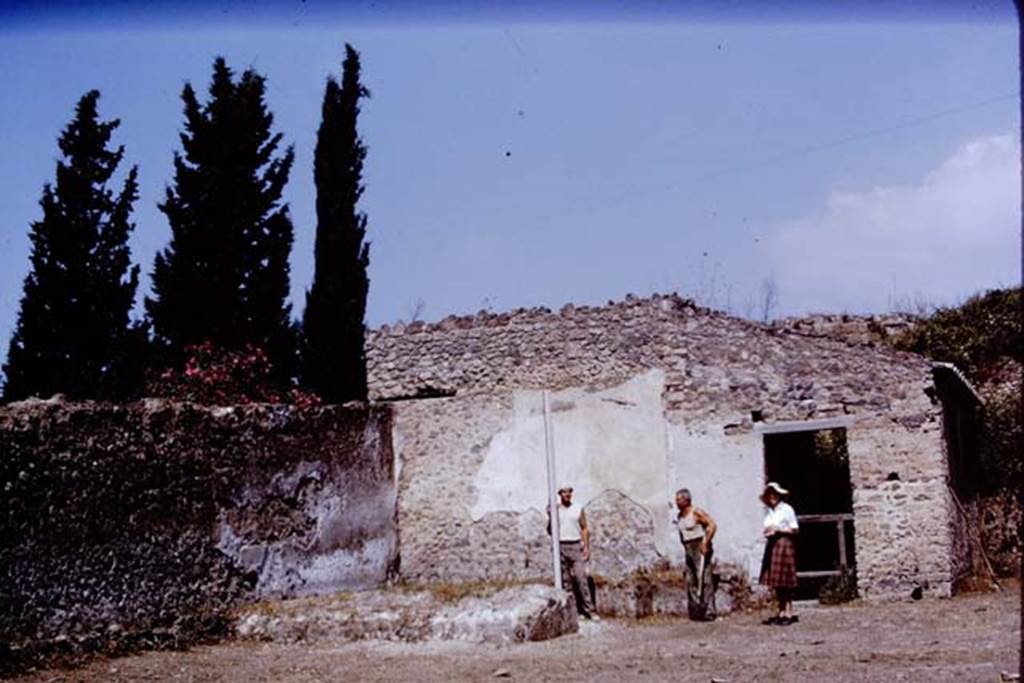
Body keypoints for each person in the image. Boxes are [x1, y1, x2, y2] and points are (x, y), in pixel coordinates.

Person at [548, 485, 598, 620]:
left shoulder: (578, 508)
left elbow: (585, 528)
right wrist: (549, 515)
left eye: (569, 491)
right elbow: (550, 530)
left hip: (575, 545)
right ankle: (574, 612)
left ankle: (590, 610)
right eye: (564, 492)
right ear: (560, 494)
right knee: (566, 582)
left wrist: (586, 547)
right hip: (561, 545)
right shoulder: (555, 510)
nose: (567, 494)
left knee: (581, 579)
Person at [759, 482, 800, 625]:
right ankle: (781, 610)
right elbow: (767, 527)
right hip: (773, 544)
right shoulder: (769, 511)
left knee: (786, 581)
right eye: (770, 495)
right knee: (777, 582)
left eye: (774, 494)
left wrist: (779, 531)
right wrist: (769, 532)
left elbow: (795, 529)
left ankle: (789, 611)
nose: (772, 497)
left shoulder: (787, 509)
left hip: (784, 543)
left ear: (779, 495)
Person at [674, 488, 718, 621]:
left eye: (678, 499)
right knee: (690, 579)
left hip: (699, 545)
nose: (676, 502)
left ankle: (709, 611)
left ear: (686, 500)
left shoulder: (696, 512)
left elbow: (712, 525)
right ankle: (696, 609)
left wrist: (706, 543)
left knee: (705, 579)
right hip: (688, 548)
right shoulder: (680, 516)